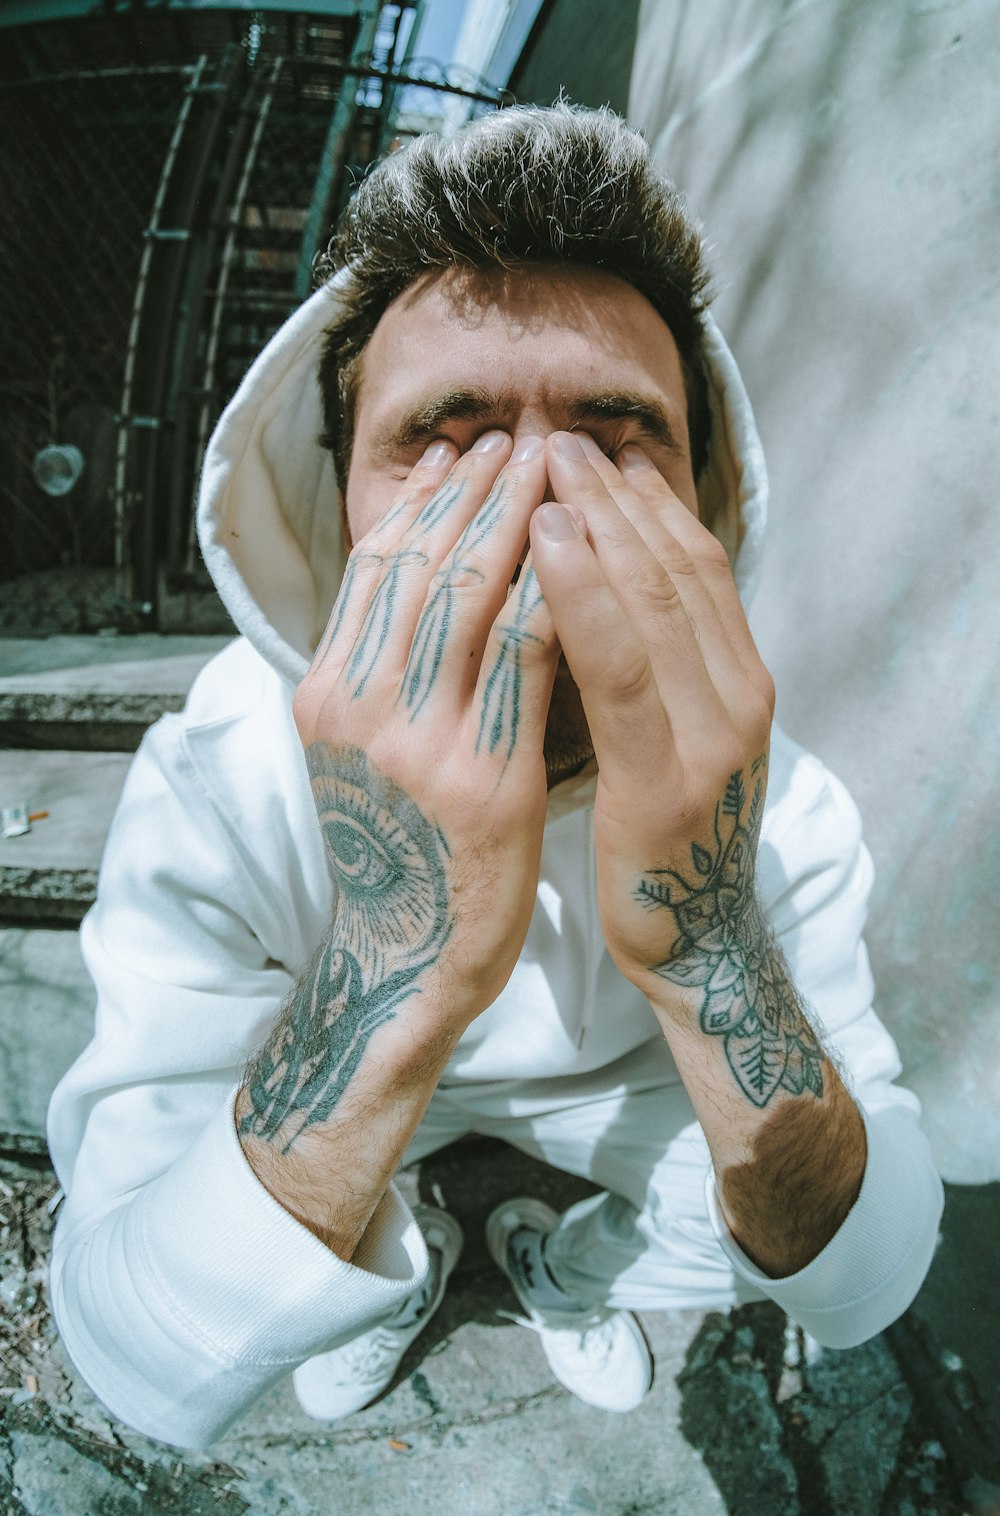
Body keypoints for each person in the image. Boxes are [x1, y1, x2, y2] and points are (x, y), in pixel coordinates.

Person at [46, 103, 942, 1450]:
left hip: (613, 1102)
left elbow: (869, 1276)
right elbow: (137, 1340)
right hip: (376, 1072)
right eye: (450, 439)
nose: (530, 505)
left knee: (748, 1222)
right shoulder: (226, 773)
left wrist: (707, 943)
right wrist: (401, 952)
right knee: (292, 1229)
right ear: (340, 504)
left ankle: (558, 1276)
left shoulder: (771, 794)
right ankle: (372, 1277)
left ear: (704, 507)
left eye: (616, 436)